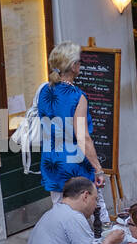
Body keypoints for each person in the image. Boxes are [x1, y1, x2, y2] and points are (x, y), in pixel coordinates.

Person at [36, 42, 110, 228]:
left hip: (51, 161)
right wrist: (98, 169)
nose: (81, 65)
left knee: (62, 216)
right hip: (74, 164)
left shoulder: (44, 90)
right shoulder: (77, 96)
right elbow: (83, 137)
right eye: (79, 61)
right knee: (95, 216)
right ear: (73, 66)